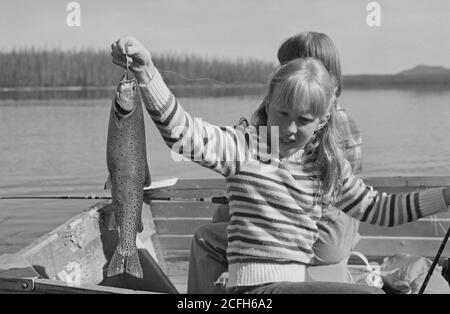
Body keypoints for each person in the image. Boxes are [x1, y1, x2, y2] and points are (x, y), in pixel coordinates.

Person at [110, 36, 450, 294]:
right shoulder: (245, 146)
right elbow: (182, 132)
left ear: (322, 120)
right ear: (269, 102)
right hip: (251, 293)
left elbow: (381, 209)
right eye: (281, 113)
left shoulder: (325, 166)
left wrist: (446, 196)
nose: (289, 128)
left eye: (303, 119)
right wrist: (145, 72)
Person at [189, 32, 363, 294]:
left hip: (320, 235)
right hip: (344, 231)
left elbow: (274, 185)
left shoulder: (306, 124)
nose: (278, 74)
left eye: (284, 66)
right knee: (229, 209)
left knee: (206, 237)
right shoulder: (337, 117)